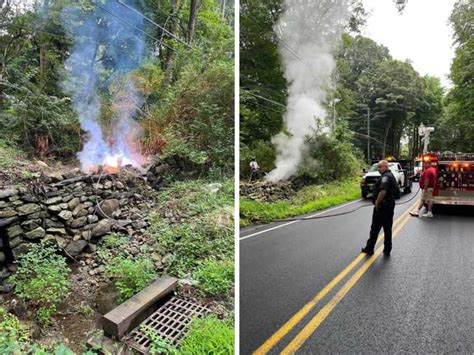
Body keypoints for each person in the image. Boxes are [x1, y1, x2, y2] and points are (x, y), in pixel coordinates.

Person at [361, 160, 397, 256]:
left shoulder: (386, 177)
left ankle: (369, 249)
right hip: (389, 206)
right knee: (387, 228)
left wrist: (377, 202)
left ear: (385, 166)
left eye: (380, 167)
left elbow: (383, 191)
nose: (378, 169)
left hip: (382, 207)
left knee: (375, 229)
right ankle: (387, 249)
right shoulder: (391, 176)